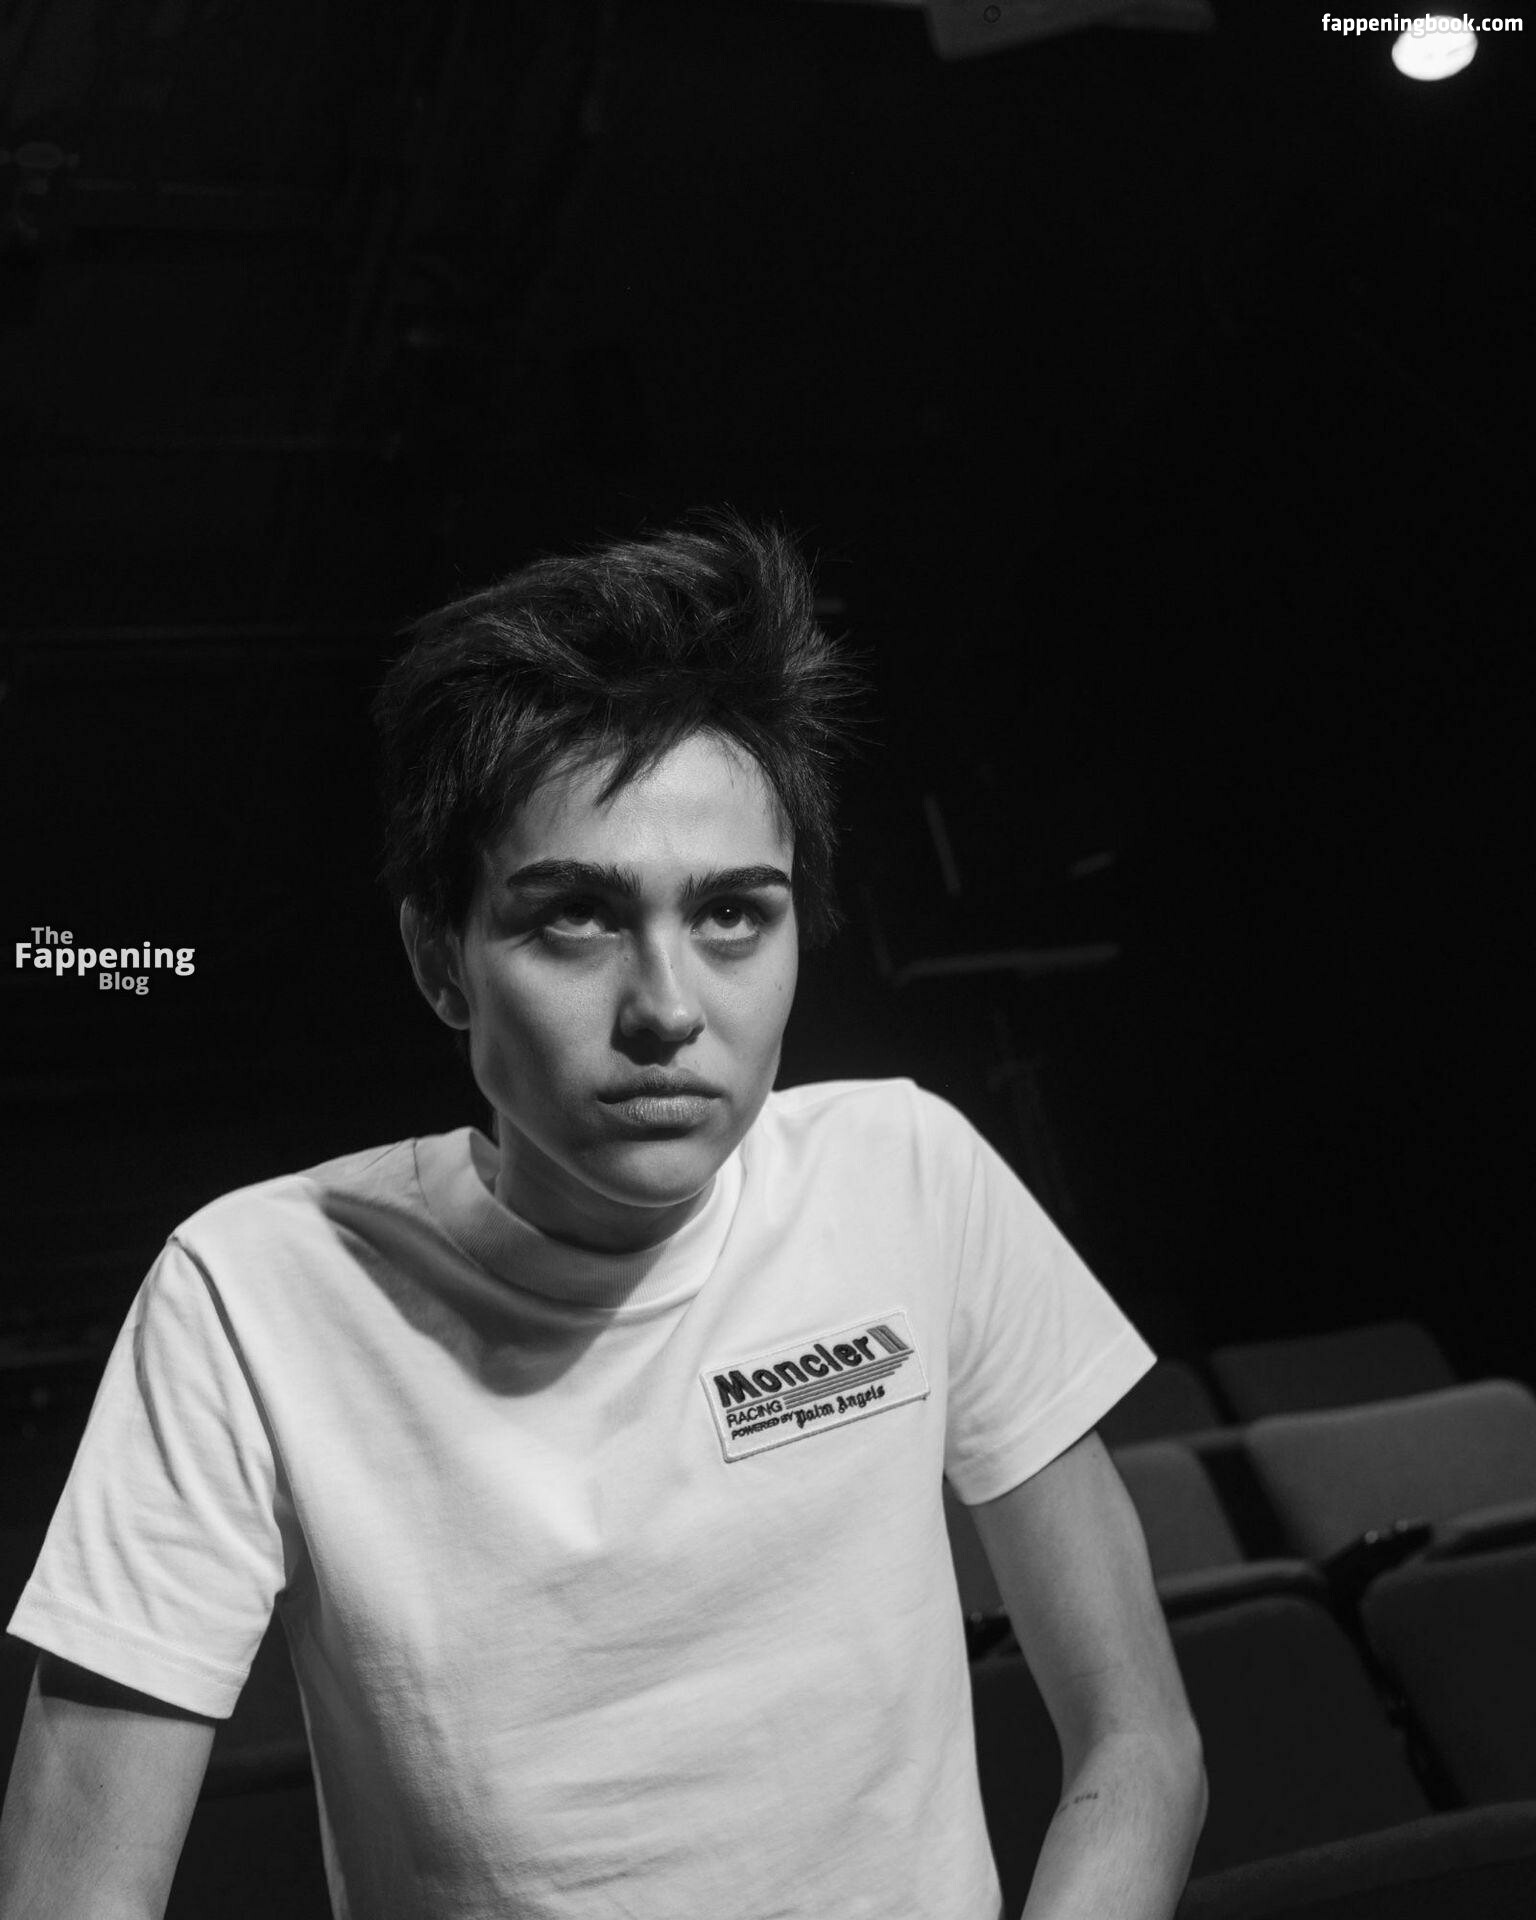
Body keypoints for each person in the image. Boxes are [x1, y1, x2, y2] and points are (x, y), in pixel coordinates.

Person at [0, 511, 1205, 1919]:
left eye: (734, 914)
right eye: (575, 917)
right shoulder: (248, 1295)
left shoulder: (910, 1172)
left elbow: (1140, 1742)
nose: (668, 1008)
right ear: (440, 961)